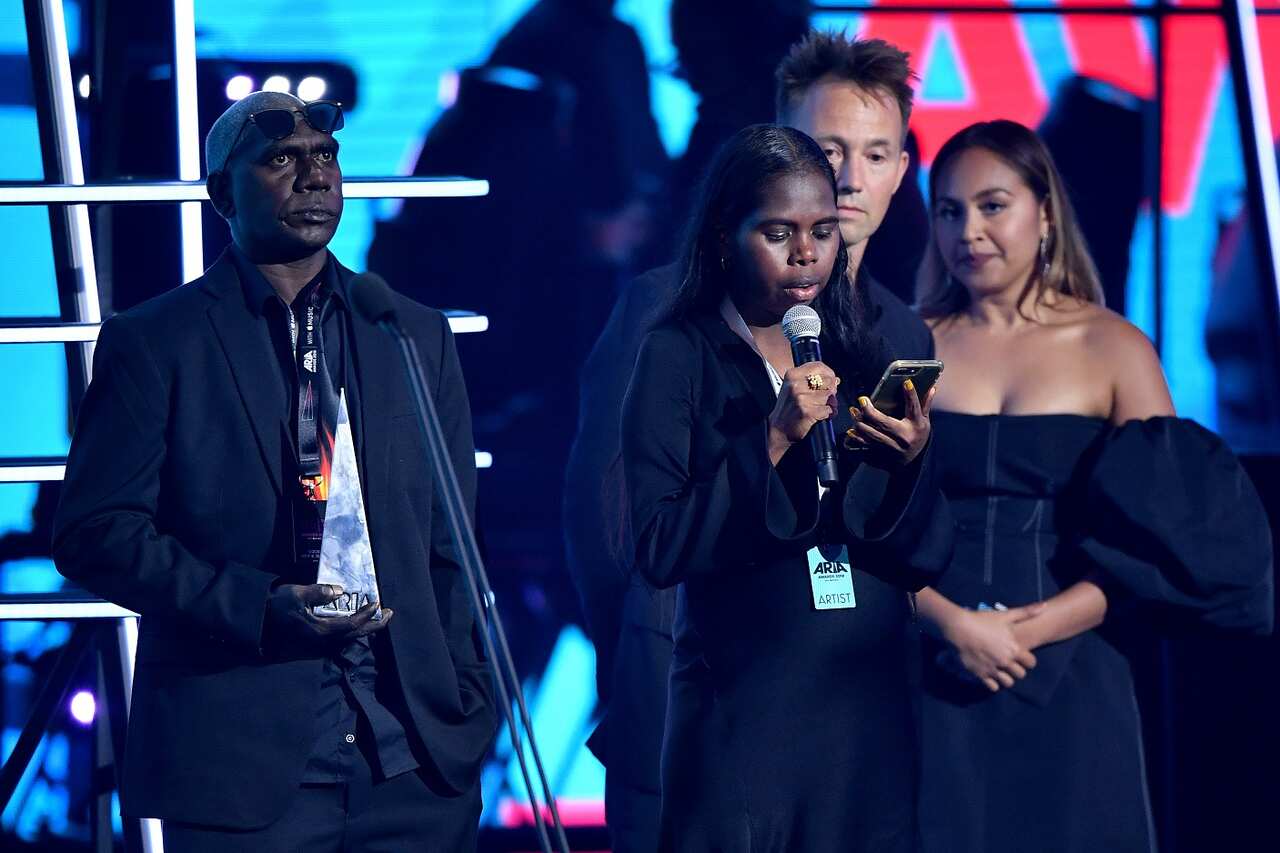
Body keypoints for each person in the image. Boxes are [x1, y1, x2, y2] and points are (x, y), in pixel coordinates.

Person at [51, 91, 496, 851]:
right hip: (242, 765)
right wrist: (259, 605)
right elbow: (96, 534)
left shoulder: (409, 331)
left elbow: (450, 540)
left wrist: (467, 698)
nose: (314, 176)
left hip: (413, 757)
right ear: (221, 192)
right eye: (282, 159)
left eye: (325, 157)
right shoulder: (155, 341)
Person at [563, 33, 935, 852]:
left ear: (902, 170)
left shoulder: (899, 329)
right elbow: (609, 524)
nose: (847, 176)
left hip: (852, 720)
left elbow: (906, 541)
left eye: (874, 153)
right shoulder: (664, 316)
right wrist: (644, 655)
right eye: (827, 147)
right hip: (701, 702)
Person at [912, 119, 1274, 853]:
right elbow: (860, 521)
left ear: (1044, 213)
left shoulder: (1113, 346)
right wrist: (953, 624)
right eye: (949, 210)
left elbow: (1161, 540)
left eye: (992, 205)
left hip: (1075, 665)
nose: (969, 231)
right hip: (926, 661)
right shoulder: (907, 342)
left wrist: (1029, 629)